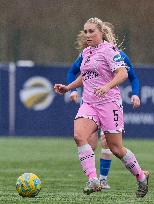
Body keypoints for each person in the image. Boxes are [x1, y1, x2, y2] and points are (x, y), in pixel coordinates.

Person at [54, 17, 149, 198]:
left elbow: (123, 73)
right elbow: (84, 76)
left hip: (109, 104)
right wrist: (68, 88)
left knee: (116, 149)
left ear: (101, 33)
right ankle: (93, 179)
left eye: (91, 31)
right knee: (79, 136)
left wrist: (107, 86)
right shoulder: (86, 52)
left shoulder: (109, 50)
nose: (88, 35)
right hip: (89, 103)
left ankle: (141, 177)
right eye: (86, 31)